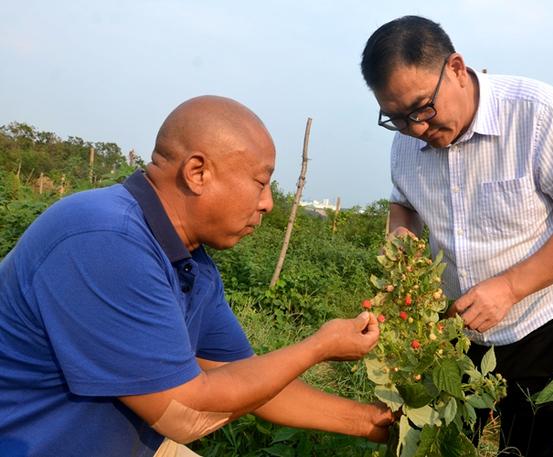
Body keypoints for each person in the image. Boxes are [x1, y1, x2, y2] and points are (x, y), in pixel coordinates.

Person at [0, 96, 394, 457]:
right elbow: (184, 416)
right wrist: (318, 347)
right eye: (260, 182)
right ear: (198, 172)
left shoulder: (189, 261)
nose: (268, 204)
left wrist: (375, 424)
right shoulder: (105, 241)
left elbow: (245, 381)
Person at [360, 16, 553, 457]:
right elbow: (404, 202)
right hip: (457, 329)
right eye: (398, 118)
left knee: (528, 441)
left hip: (544, 319)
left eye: (423, 109)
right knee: (454, 437)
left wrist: (510, 287)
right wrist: (401, 244)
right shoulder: (405, 142)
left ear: (457, 68)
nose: (417, 129)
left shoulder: (537, 113)